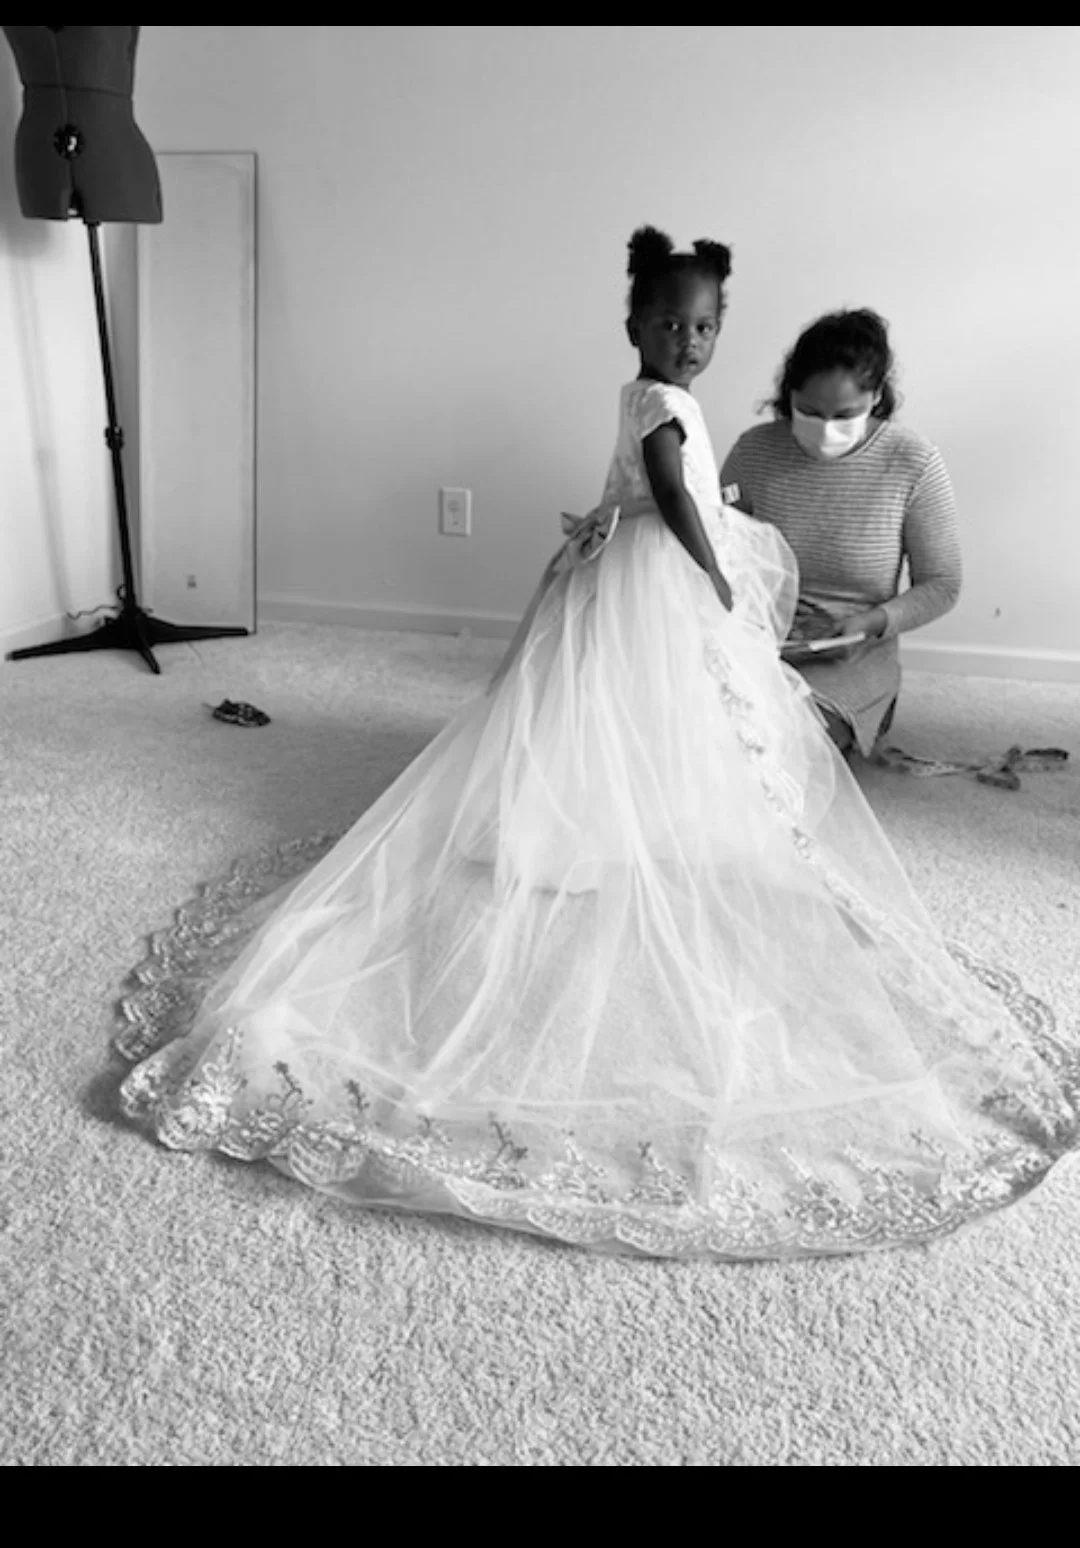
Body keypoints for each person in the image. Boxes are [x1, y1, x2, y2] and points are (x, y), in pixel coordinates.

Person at [116, 229, 1078, 1260]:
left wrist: (811, 615)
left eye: (705, 325)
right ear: (638, 327)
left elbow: (921, 579)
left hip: (827, 638)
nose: (690, 340)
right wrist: (718, 581)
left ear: (879, 399)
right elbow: (673, 494)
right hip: (671, 582)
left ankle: (674, 795)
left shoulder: (895, 459)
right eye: (671, 323)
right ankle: (619, 818)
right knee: (641, 700)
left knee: (689, 717)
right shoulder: (687, 414)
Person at [720, 311, 961, 755]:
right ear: (788, 395)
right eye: (810, 412)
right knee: (692, 726)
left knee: (781, 747)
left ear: (876, 398)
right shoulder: (755, 452)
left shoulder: (913, 462)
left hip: (855, 651)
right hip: (761, 638)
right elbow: (718, 547)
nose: (826, 428)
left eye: (844, 414)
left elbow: (942, 584)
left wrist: (870, 625)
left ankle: (865, 715)